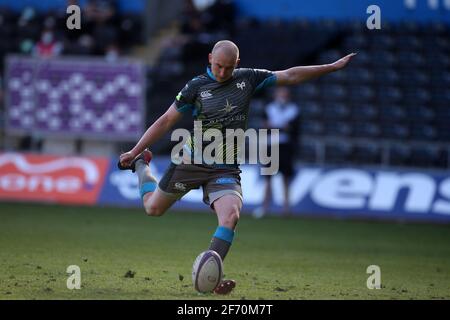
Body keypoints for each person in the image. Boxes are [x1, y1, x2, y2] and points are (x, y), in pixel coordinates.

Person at [118, 40, 355, 294]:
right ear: (210, 58)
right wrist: (134, 152)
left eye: (228, 68)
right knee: (153, 208)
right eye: (218, 66)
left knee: (230, 217)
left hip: (225, 169)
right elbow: (166, 121)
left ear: (237, 65)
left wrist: (331, 67)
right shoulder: (195, 87)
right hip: (191, 162)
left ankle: (210, 276)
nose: (222, 73)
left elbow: (291, 74)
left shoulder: (248, 79)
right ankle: (143, 165)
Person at [253, 87, 300, 218]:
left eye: (285, 94)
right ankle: (264, 207)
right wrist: (280, 127)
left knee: (286, 177)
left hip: (285, 146)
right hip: (271, 145)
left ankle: (286, 208)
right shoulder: (269, 108)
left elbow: (290, 127)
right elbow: (265, 125)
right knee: (268, 178)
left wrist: (274, 126)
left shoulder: (293, 109)